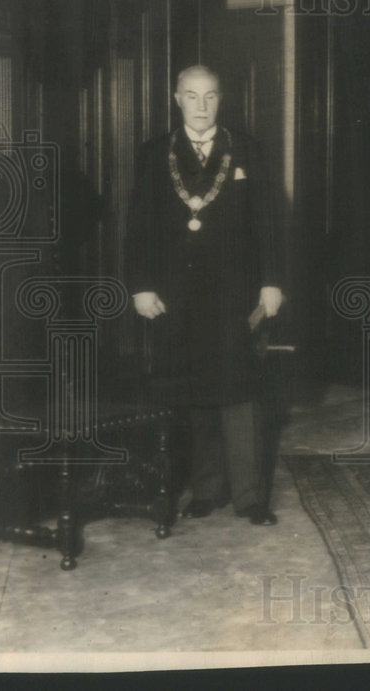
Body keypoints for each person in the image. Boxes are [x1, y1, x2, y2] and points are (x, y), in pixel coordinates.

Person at [125, 65, 285, 526]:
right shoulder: (155, 152)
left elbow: (269, 222)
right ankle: (206, 489)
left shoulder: (247, 148)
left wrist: (271, 282)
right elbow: (139, 225)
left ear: (221, 99)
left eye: (210, 97)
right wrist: (141, 285)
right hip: (176, 292)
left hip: (235, 291)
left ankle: (250, 496)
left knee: (239, 391)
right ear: (176, 98)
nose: (201, 106)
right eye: (191, 97)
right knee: (194, 392)